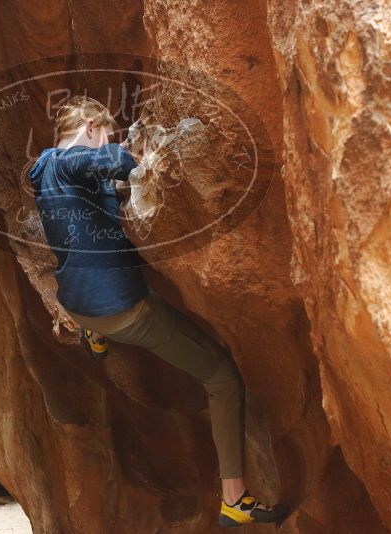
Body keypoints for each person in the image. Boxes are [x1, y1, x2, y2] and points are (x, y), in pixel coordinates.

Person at [28, 96, 286, 527]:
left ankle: (94, 335)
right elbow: (95, 162)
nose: (103, 143)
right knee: (222, 377)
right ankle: (234, 499)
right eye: (103, 135)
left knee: (107, 307)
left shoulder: (43, 170)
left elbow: (88, 180)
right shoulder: (73, 161)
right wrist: (130, 153)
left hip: (77, 304)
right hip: (122, 310)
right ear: (91, 127)